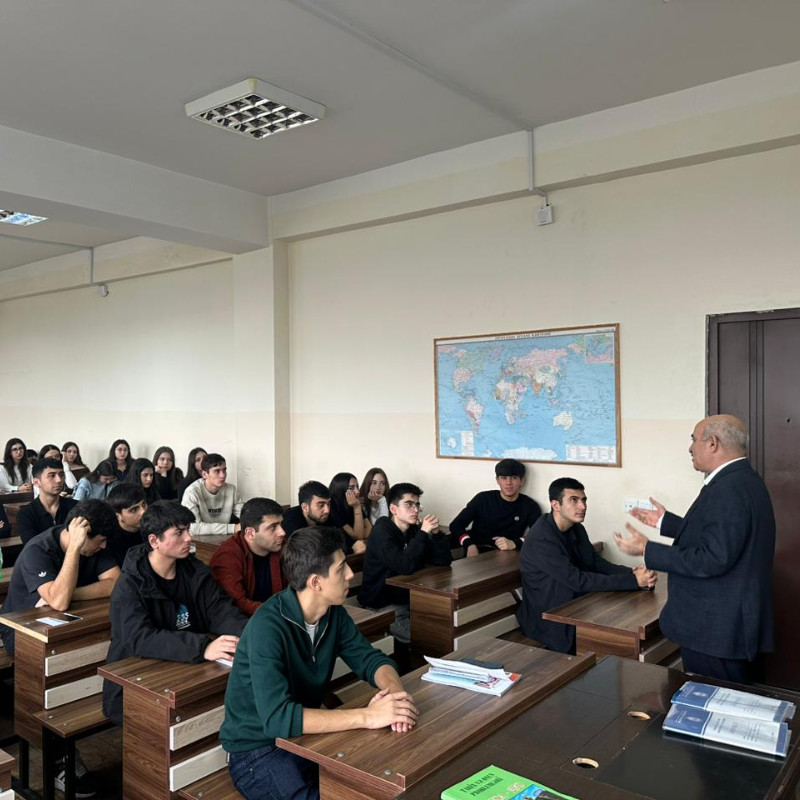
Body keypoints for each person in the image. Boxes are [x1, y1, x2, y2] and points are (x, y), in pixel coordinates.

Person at [220, 527, 417, 800]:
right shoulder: (267, 626)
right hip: (257, 751)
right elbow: (278, 719)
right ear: (316, 582)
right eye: (341, 568)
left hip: (303, 739)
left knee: (380, 779)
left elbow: (371, 660)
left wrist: (395, 697)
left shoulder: (333, 613)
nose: (350, 574)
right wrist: (369, 716)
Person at [615, 414, 775, 683]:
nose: (690, 448)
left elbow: (712, 558)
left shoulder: (728, 489)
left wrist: (647, 550)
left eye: (693, 440)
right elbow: (725, 537)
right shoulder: (744, 480)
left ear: (712, 443)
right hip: (727, 624)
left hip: (715, 630)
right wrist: (665, 522)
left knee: (713, 709)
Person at [102, 501, 247, 726]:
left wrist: (250, 635)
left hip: (188, 669)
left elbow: (220, 611)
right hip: (138, 679)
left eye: (188, 530)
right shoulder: (130, 584)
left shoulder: (194, 571)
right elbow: (140, 638)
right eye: (179, 533)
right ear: (154, 541)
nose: (189, 538)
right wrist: (203, 647)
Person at [518, 477, 656, 654]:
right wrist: (633, 581)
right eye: (573, 500)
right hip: (550, 618)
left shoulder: (576, 528)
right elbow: (577, 580)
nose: (582, 506)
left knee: (632, 624)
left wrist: (632, 572)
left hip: (578, 605)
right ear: (555, 505)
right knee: (616, 637)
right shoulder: (542, 538)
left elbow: (595, 563)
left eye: (583, 500)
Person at [0, 500, 120, 657]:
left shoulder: (96, 546)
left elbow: (116, 583)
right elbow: (59, 602)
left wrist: (72, 594)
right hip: (22, 632)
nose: (103, 546)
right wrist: (74, 547)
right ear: (79, 535)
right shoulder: (38, 549)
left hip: (63, 621)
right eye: (100, 541)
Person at [358, 482, 452, 643]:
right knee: (426, 641)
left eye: (417, 505)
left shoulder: (413, 530)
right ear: (393, 509)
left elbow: (443, 562)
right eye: (409, 504)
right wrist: (423, 532)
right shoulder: (382, 531)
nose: (415, 510)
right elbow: (404, 565)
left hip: (412, 600)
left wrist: (436, 534)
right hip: (383, 605)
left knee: (445, 630)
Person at [210, 497, 287, 616]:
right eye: (273, 527)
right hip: (247, 624)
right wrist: (281, 611)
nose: (282, 532)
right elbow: (237, 604)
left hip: (277, 616)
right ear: (250, 533)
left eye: (281, 524)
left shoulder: (283, 546)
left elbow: (297, 587)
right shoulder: (228, 556)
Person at [450, 458, 541, 557]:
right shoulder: (483, 499)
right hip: (477, 553)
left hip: (508, 556)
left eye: (514, 477)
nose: (508, 483)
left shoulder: (530, 505)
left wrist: (515, 543)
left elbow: (540, 534)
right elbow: (456, 524)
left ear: (522, 481)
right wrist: (468, 544)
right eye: (504, 478)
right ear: (497, 480)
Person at [16, 458, 78, 543]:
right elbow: (33, 547)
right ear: (37, 482)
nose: (59, 480)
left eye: (61, 475)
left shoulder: (75, 507)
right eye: (52, 475)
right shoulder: (26, 514)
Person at [181, 453, 243, 535]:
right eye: (217, 471)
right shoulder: (192, 492)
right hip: (198, 541)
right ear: (204, 474)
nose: (223, 475)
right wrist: (233, 528)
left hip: (225, 537)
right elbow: (194, 528)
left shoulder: (231, 489)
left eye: (224, 470)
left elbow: (244, 515)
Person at [106, 483, 148, 567]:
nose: (143, 512)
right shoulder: (111, 544)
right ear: (118, 516)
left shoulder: (152, 526)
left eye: (143, 504)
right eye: (134, 510)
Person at [328, 472, 369, 554]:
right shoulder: (332, 508)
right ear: (340, 490)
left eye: (357, 487)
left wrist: (360, 533)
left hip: (360, 548)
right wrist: (357, 508)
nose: (357, 491)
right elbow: (358, 536)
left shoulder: (354, 503)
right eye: (351, 488)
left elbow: (369, 529)